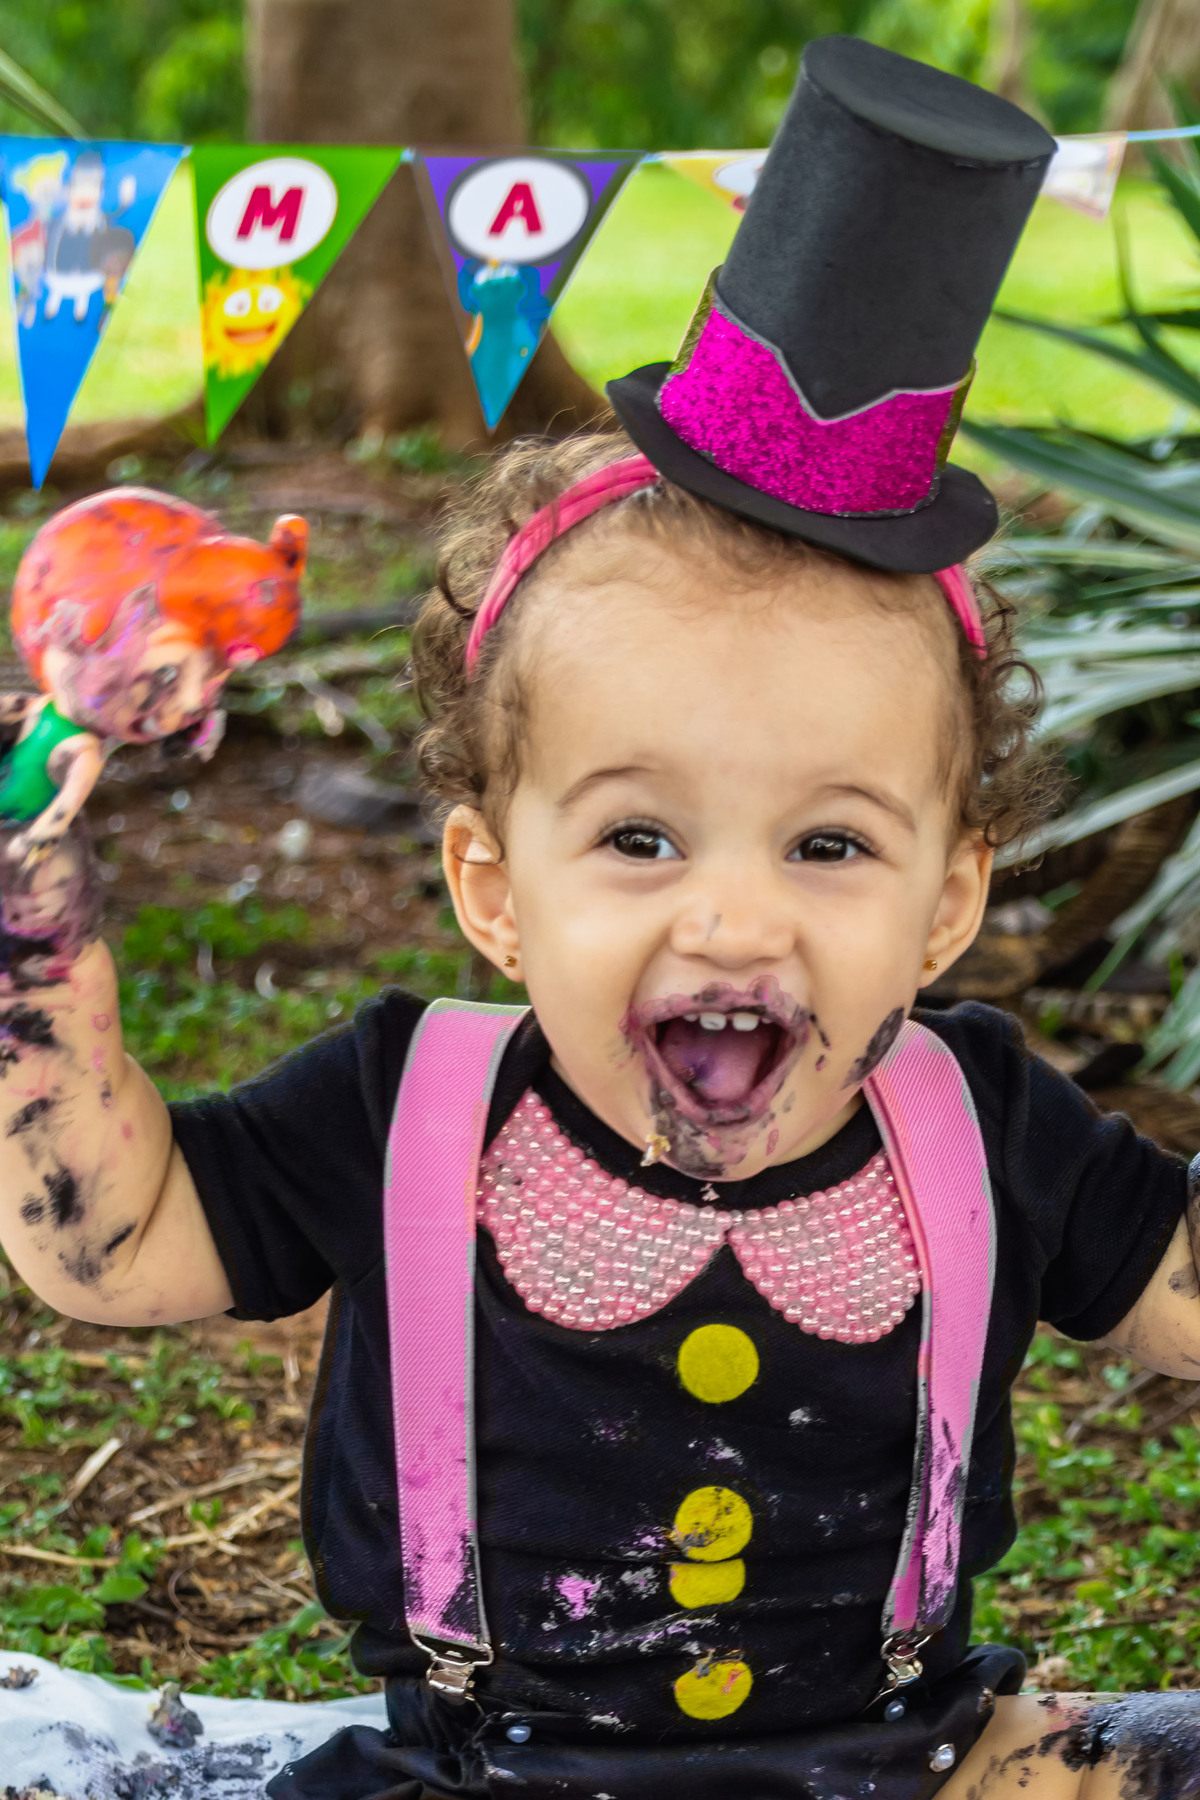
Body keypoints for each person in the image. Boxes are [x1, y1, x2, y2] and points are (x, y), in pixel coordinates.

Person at [0, 35, 1198, 1800]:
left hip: (921, 1760)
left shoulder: (982, 1124)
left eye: (831, 845)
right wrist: (35, 956)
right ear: (495, 890)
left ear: (947, 904)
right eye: (640, 837)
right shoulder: (406, 1112)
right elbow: (116, 1247)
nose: (733, 914)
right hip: (488, 1771)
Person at [0, 487, 306, 985]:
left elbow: (62, 808)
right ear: (82, 627)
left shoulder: (80, 748)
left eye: (209, 684)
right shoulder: (36, 716)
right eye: (167, 676)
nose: (188, 705)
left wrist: (36, 840)